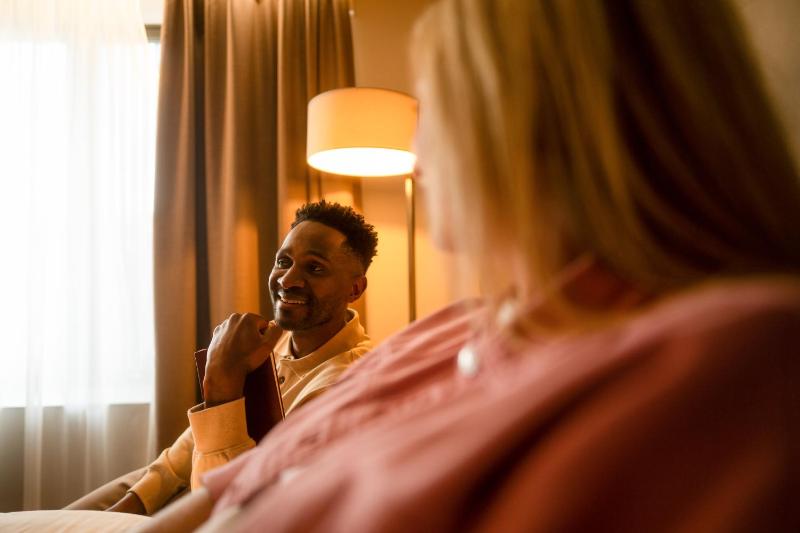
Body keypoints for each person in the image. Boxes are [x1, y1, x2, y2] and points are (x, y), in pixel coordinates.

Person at [3, 0, 799, 531]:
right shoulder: (447, 331)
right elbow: (196, 485)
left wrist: (219, 394)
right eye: (284, 260)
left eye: (436, 103)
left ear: (526, 127)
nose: (418, 149)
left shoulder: (730, 358)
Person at [64, 200, 378, 516]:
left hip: (225, 503)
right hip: (185, 475)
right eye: (283, 262)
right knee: (64, 516)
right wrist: (129, 506)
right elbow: (187, 449)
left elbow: (237, 507)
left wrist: (221, 386)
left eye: (315, 268)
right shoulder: (272, 341)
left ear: (355, 288)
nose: (287, 280)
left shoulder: (348, 384)